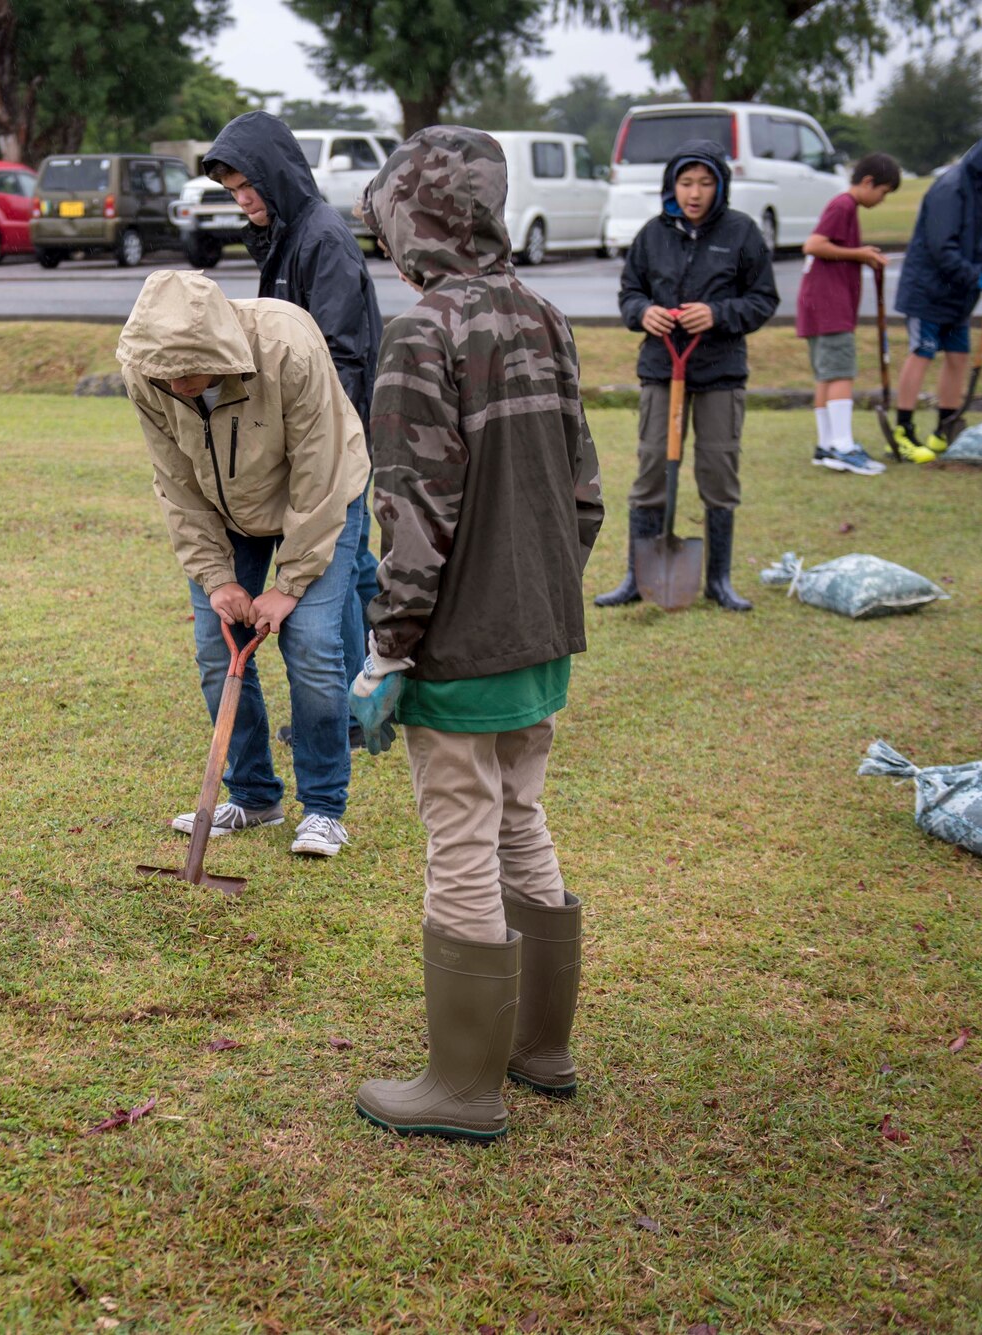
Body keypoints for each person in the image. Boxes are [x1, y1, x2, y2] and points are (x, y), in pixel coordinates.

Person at [345, 126, 603, 1142]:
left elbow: (412, 509)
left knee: (459, 836)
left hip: (459, 639)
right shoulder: (542, 315)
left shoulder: (422, 333)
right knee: (517, 820)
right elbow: (582, 490)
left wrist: (389, 647)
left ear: (415, 220)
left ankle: (460, 1087)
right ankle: (539, 1047)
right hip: (539, 625)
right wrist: (537, 595)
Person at [117, 269, 369, 858]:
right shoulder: (148, 374)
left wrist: (291, 583)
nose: (176, 386)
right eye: (164, 375)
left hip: (323, 495)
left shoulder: (286, 345)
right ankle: (254, 796)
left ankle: (325, 808)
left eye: (187, 372)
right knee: (215, 645)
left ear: (219, 352)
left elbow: (321, 472)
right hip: (228, 509)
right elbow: (176, 482)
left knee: (308, 643)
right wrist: (218, 578)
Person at [203, 112, 383, 711]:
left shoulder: (321, 240)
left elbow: (341, 356)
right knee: (354, 563)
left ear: (277, 175)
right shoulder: (284, 236)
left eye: (248, 184)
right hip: (308, 440)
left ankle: (358, 704)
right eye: (232, 191)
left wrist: (329, 450)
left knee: (349, 564)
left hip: (337, 440)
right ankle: (361, 698)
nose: (243, 199)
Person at [599, 139, 778, 613]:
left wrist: (718, 313)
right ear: (671, 186)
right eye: (685, 182)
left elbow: (763, 300)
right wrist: (644, 313)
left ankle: (719, 580)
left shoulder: (742, 234)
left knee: (718, 470)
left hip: (721, 371)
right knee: (652, 466)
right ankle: (637, 578)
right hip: (662, 368)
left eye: (704, 182)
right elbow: (629, 292)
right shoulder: (652, 235)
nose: (694, 192)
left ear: (720, 186)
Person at [890, 123, 982, 462]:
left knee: (957, 357)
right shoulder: (951, 187)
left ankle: (946, 427)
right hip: (927, 290)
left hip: (960, 293)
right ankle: (903, 430)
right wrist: (979, 277)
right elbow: (942, 248)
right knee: (922, 352)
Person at [798, 153, 901, 476]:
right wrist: (859, 253)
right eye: (883, 192)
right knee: (841, 372)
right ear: (868, 182)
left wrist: (862, 257)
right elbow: (813, 245)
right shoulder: (843, 205)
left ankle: (827, 445)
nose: (882, 200)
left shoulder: (845, 206)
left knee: (826, 375)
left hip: (818, 302)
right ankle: (843, 446)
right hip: (830, 304)